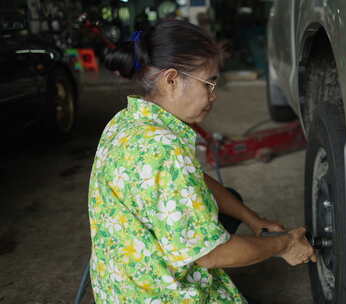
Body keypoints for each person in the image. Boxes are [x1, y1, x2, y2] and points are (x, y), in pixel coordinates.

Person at [87, 19, 316, 304]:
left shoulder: (126, 121)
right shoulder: (163, 147)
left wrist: (253, 220)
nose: (213, 95)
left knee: (229, 201)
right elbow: (212, 255)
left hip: (117, 285)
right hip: (154, 295)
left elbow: (193, 178)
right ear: (171, 80)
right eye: (208, 83)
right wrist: (284, 244)